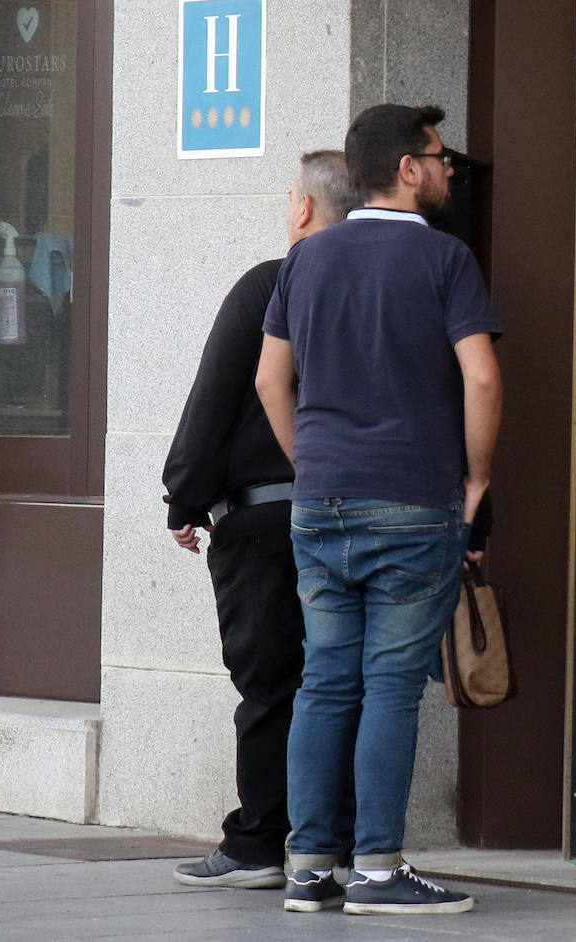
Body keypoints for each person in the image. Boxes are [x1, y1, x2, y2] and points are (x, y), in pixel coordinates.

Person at [256, 103, 503, 916]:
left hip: (320, 502)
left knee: (325, 680)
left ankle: (306, 867)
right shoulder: (446, 260)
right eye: (438, 158)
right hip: (412, 499)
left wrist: (315, 465)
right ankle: (378, 868)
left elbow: (270, 382)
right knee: (392, 685)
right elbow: (481, 378)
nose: (448, 170)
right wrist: (476, 479)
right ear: (406, 167)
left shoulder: (306, 260)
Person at [166, 150, 356, 890]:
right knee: (342, 682)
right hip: (356, 515)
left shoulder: (268, 284)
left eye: (289, 197)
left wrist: (183, 497)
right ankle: (335, 843)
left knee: (270, 683)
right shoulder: (379, 286)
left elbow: (213, 398)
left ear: (305, 208)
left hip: (263, 521)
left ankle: (256, 845)